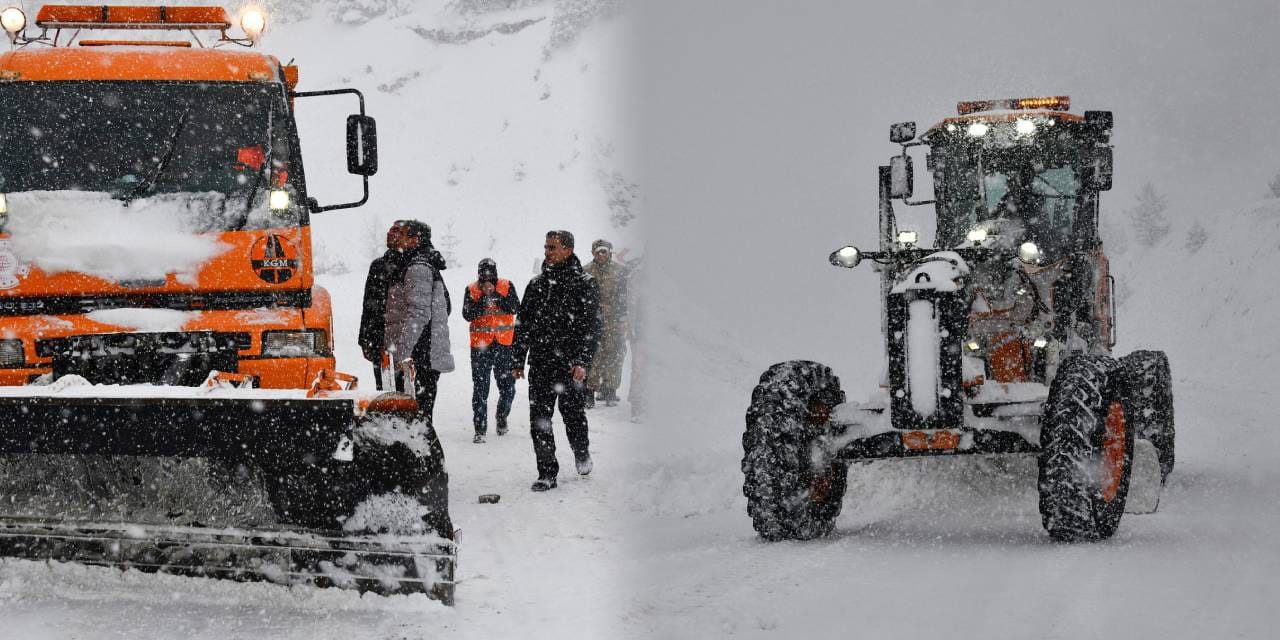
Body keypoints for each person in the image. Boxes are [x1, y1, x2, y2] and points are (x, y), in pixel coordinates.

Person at [512, 230, 601, 491]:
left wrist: (583, 361)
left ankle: (581, 452)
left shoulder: (585, 283)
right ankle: (547, 472)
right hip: (541, 363)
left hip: (570, 365)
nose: (547, 252)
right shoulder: (536, 284)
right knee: (539, 419)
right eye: (545, 247)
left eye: (552, 247)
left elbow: (592, 327)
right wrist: (518, 359)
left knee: (573, 416)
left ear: (568, 250)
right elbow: (523, 325)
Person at [383, 220, 455, 422]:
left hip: (419, 357)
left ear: (415, 240)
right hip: (422, 353)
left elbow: (418, 314)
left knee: (416, 419)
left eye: (404, 235)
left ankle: (422, 453)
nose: (398, 238)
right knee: (418, 416)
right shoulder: (419, 264)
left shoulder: (418, 268)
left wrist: (402, 353)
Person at [462, 258, 520, 444]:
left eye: (490, 273)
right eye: (483, 273)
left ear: (495, 273)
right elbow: (467, 314)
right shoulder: (471, 290)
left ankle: (501, 416)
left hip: (504, 344)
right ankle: (480, 429)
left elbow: (515, 307)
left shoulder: (506, 285)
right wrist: (482, 300)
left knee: (508, 388)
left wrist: (495, 296)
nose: (486, 276)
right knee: (480, 389)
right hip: (481, 347)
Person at [359, 220, 404, 390]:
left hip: (399, 337)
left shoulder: (412, 266)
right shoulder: (378, 266)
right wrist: (365, 338)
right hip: (380, 335)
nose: (391, 235)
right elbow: (368, 304)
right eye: (391, 232)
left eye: (396, 233)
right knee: (385, 388)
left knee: (401, 387)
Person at [583, 239, 628, 408]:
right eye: (598, 252)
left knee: (615, 355)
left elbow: (624, 297)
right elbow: (581, 297)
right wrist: (596, 306)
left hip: (614, 321)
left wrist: (618, 313)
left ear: (610, 252)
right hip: (593, 322)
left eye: (604, 251)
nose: (601, 255)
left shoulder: (620, 271)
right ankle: (589, 392)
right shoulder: (586, 271)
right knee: (593, 355)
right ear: (593, 252)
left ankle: (610, 390)